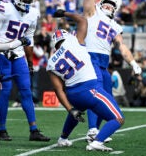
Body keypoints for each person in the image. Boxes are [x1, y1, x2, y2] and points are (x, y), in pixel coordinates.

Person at [46, 9, 125, 151]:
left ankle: (63, 138)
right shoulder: (75, 41)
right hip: (90, 89)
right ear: (67, 36)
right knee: (118, 118)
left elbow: (58, 90)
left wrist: (70, 109)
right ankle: (97, 142)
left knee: (77, 111)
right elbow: (83, 20)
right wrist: (65, 13)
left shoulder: (51, 62)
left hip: (73, 95)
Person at [83, 0, 142, 142]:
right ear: (100, 5)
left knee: (107, 95)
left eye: (111, 4)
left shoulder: (115, 25)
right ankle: (92, 130)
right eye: (106, 3)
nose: (108, 6)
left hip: (103, 64)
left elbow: (122, 46)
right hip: (90, 58)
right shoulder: (92, 14)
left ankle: (98, 130)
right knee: (97, 94)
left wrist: (133, 63)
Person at [0, 0, 50, 142]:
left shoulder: (32, 14)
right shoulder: (5, 8)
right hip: (2, 53)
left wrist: (29, 59)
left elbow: (28, 38)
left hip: (18, 53)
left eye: (30, 0)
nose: (28, 4)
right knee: (6, 90)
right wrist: (3, 47)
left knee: (26, 91)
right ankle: (2, 130)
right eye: (25, 0)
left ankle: (34, 129)